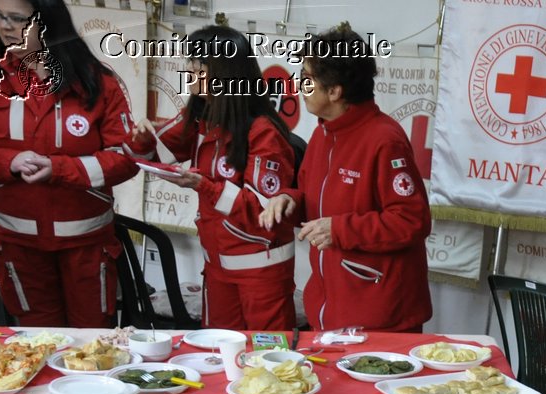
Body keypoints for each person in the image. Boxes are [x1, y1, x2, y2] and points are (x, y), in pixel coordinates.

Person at [0, 0, 137, 326]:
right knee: (38, 343)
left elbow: (127, 159)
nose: (4, 26)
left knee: (91, 346)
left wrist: (61, 169)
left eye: (17, 19)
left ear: (47, 22)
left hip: (87, 246)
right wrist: (7, 160)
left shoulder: (96, 81)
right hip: (18, 243)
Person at [258, 24, 429, 333]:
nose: (299, 86)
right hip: (330, 314)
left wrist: (340, 229)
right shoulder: (323, 133)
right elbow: (312, 202)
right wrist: (287, 200)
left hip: (380, 320)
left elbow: (412, 221)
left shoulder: (384, 140)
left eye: (307, 80)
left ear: (335, 91)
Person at [127, 25, 298, 330]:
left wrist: (204, 186)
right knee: (219, 355)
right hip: (217, 269)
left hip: (261, 274)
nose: (189, 71)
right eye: (190, 63)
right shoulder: (201, 116)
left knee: (267, 361)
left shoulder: (262, 132)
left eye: (198, 65)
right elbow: (153, 153)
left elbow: (262, 211)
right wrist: (143, 137)